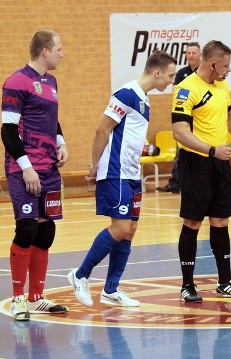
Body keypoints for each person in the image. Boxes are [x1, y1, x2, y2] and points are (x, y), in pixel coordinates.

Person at [67, 50, 177, 307]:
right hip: (115, 171)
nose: (171, 81)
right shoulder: (125, 94)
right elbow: (102, 129)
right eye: (170, 75)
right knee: (120, 228)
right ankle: (80, 274)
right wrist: (94, 166)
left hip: (131, 173)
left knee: (130, 230)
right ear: (157, 71)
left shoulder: (145, 100)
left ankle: (111, 290)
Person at [171, 40, 231, 301]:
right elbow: (180, 132)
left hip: (220, 162)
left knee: (221, 221)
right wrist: (210, 150)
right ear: (213, 63)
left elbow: (230, 115)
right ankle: (187, 285)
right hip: (197, 162)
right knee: (193, 222)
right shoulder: (186, 89)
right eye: (226, 66)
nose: (229, 70)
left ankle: (225, 281)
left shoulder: (222, 85)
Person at [2, 30, 68, 321]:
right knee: (27, 228)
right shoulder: (16, 82)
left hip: (49, 168)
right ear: (44, 51)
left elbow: (51, 119)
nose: (61, 54)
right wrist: (26, 167)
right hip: (24, 168)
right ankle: (18, 298)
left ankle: (37, 296)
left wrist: (61, 142)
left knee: (46, 231)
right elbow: (7, 130)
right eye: (59, 49)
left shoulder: (51, 82)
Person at [157, 42, 201, 194]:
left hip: (201, 120)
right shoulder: (182, 73)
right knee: (180, 151)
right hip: (185, 119)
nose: (190, 56)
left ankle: (195, 181)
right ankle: (175, 182)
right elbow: (176, 95)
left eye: (193, 53)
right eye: (188, 53)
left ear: (200, 55)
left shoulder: (206, 74)